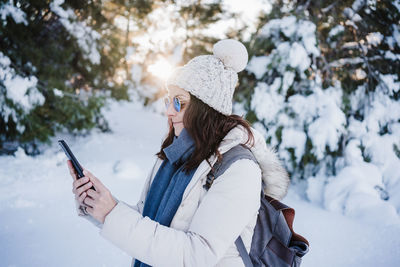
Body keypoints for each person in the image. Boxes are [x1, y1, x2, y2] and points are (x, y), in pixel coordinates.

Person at [67, 39, 290, 267]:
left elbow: (197, 254)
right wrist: (98, 204)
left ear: (206, 109)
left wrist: (112, 214)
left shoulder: (240, 169)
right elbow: (146, 220)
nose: (168, 111)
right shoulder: (174, 156)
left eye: (179, 103)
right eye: (168, 101)